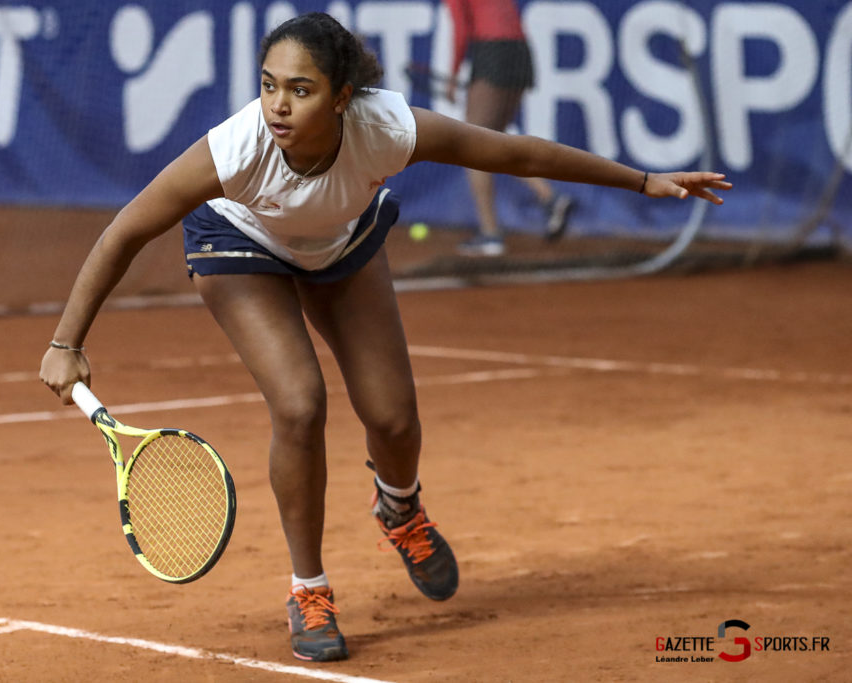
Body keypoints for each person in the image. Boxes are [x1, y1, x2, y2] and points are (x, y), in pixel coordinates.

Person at [39, 12, 730, 663]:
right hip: (241, 245)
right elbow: (125, 229)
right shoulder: (235, 149)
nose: (278, 104)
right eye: (269, 85)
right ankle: (308, 590)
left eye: (300, 90)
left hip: (343, 245)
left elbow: (515, 154)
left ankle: (399, 507)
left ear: (342, 98)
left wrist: (644, 181)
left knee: (394, 417)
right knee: (301, 404)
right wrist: (67, 340)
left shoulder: (387, 126)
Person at [444, 0, 576, 256]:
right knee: (497, 140)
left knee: (471, 147)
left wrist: (453, 76)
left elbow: (461, 29)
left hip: (492, 50)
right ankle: (549, 198)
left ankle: (491, 235)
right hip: (520, 51)